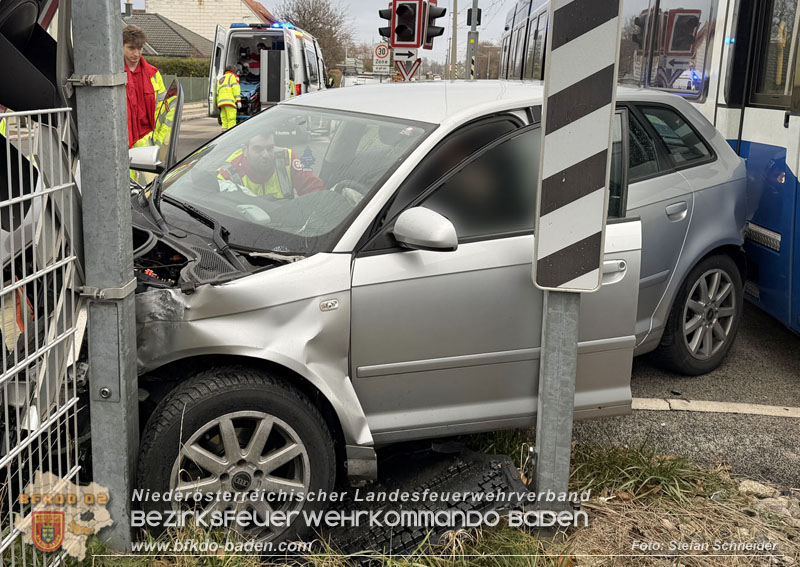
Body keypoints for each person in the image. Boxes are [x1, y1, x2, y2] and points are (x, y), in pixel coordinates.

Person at [217, 132, 324, 199]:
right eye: (258, 149)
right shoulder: (228, 173)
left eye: (270, 148)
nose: (266, 155)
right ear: (245, 150)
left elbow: (312, 188)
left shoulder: (286, 157)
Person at [123, 25, 166, 148]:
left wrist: (159, 140)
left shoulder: (153, 74)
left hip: (148, 140)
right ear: (120, 47)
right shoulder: (114, 76)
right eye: (131, 48)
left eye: (140, 48)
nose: (136, 53)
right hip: (124, 143)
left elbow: (162, 110)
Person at [216, 66, 242, 132]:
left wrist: (218, 104)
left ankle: (224, 135)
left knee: (224, 121)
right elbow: (236, 89)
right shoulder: (232, 77)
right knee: (231, 120)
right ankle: (231, 135)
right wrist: (238, 101)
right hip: (229, 102)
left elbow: (217, 92)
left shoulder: (221, 79)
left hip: (221, 103)